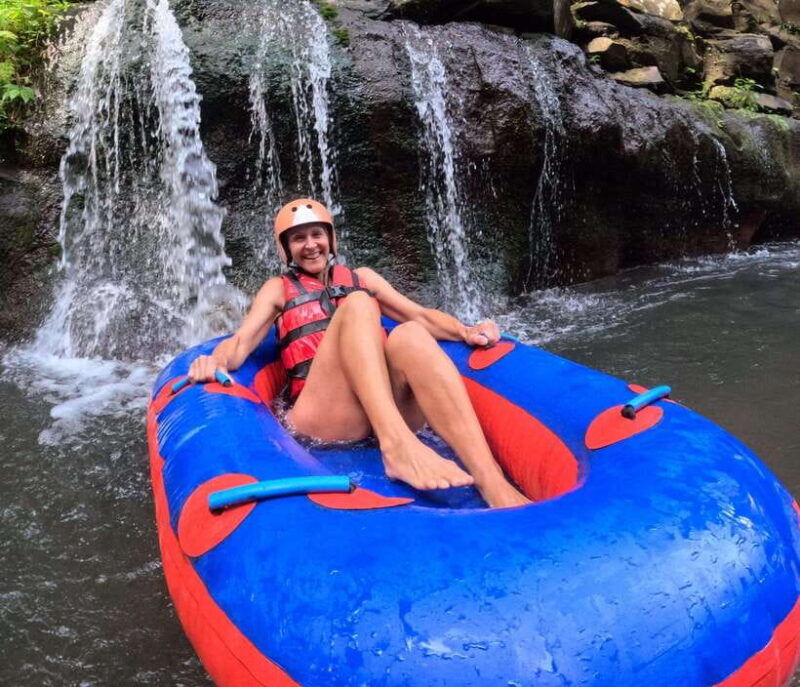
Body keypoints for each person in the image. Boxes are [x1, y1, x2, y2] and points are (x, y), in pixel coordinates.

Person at [188, 198, 529, 508]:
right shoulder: (277, 289)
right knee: (360, 304)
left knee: (410, 333)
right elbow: (242, 341)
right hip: (326, 418)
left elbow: (421, 316)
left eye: (316, 234)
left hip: (383, 407)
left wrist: (465, 331)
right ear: (286, 249)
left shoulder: (362, 277)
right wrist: (215, 361)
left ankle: (491, 479)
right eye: (298, 239)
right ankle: (397, 446)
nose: (310, 245)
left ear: (331, 239)